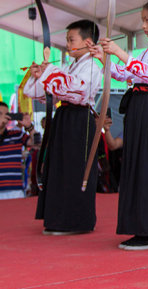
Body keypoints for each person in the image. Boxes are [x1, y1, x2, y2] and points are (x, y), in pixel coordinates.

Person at [92, 0, 148, 250]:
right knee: (138, 165)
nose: (143, 25)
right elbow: (128, 74)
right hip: (142, 106)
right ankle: (142, 226)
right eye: (142, 20)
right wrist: (105, 58)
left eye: (147, 20)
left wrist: (120, 52)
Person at [23, 19, 102, 234]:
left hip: (79, 119)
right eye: (67, 40)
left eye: (71, 40)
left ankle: (77, 220)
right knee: (60, 166)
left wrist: (51, 72)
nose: (67, 44)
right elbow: (49, 92)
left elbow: (79, 92)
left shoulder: (93, 64)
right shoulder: (73, 65)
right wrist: (40, 75)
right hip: (65, 116)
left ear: (87, 42)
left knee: (75, 168)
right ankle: (58, 217)